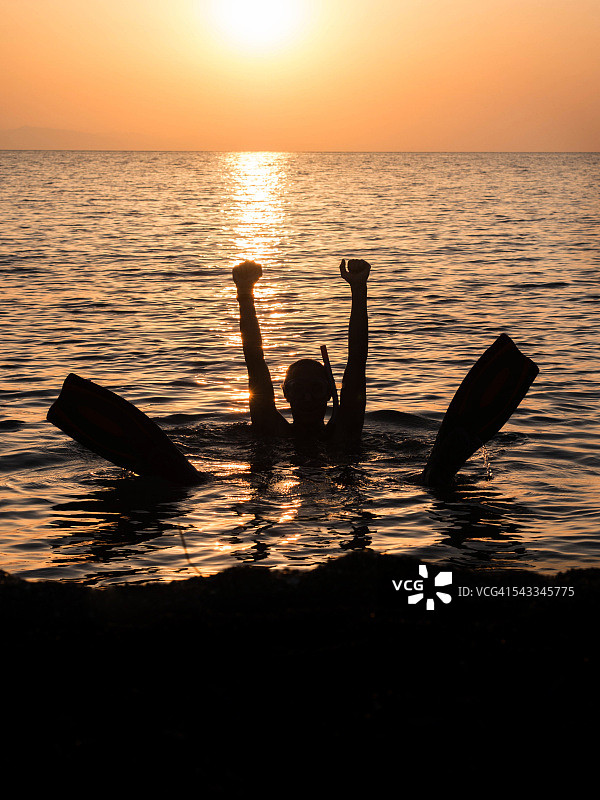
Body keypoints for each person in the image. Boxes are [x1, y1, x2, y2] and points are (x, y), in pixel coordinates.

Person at [233, 258, 370, 442]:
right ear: (286, 394)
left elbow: (357, 361)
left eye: (316, 389)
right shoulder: (271, 429)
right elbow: (254, 360)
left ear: (329, 393)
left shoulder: (344, 432)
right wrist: (244, 292)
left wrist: (359, 288)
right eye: (298, 389)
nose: (307, 398)